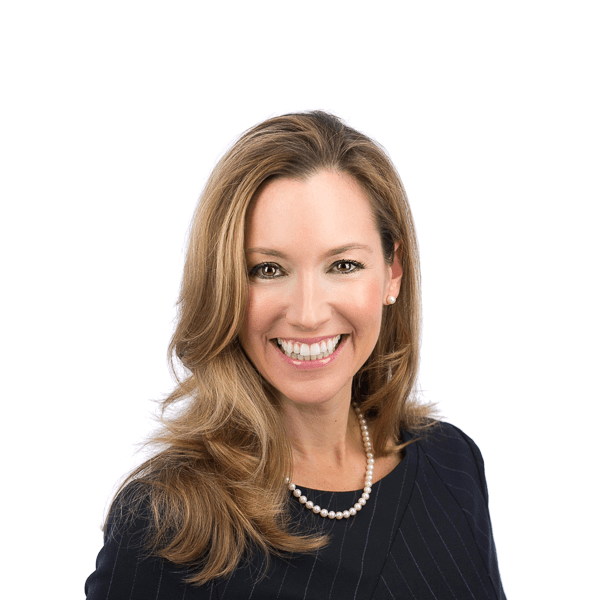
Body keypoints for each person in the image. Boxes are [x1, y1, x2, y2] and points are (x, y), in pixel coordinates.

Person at [85, 111, 505, 599]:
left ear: (392, 272)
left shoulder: (451, 462)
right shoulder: (168, 521)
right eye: (268, 269)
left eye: (343, 264)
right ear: (224, 285)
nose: (307, 314)